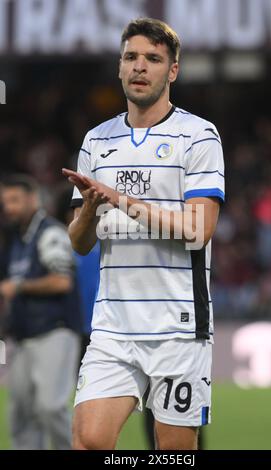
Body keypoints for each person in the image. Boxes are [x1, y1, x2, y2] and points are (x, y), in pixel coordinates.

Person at [63, 17, 224, 450]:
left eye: (153, 59)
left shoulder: (199, 136)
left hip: (178, 327)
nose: (140, 67)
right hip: (113, 327)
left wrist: (121, 200)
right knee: (89, 442)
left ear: (172, 71)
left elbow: (199, 228)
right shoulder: (96, 141)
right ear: (119, 66)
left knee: (172, 451)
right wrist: (90, 213)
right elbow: (78, 244)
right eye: (131, 57)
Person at [0, 175, 82, 450]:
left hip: (54, 330)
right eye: (5, 202)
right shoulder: (16, 238)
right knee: (21, 412)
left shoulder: (50, 233)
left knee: (50, 406)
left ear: (33, 199)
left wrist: (20, 286)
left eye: (15, 200)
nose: (9, 207)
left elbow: (63, 281)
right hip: (24, 336)